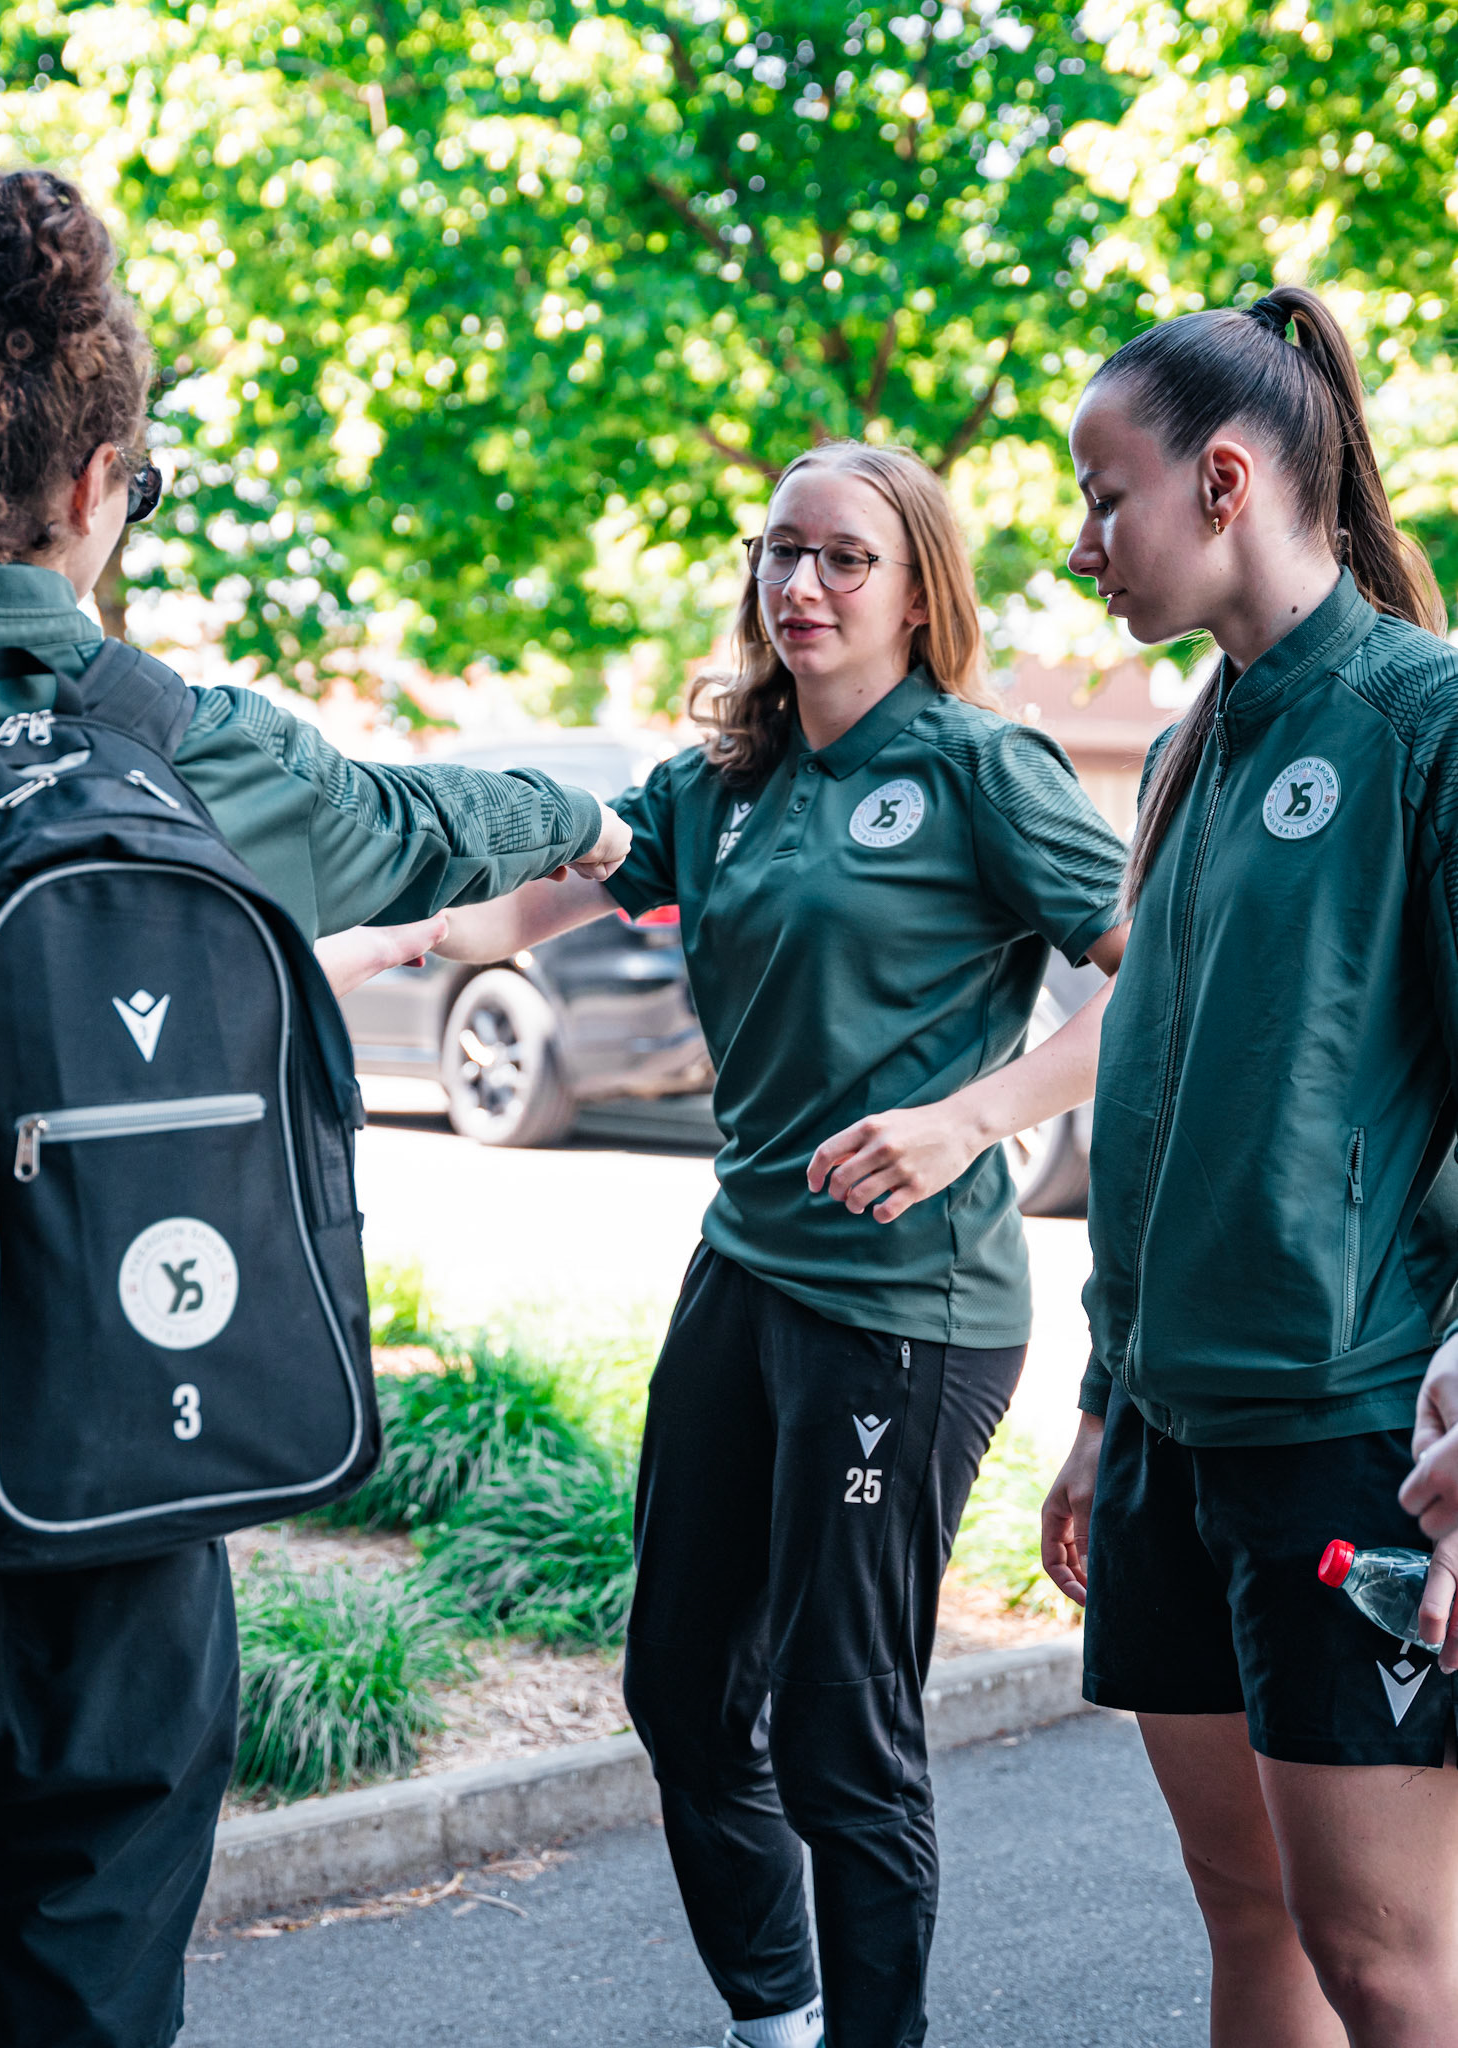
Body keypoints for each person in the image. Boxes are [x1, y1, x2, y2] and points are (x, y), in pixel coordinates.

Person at [0, 165, 629, 2048]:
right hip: (132, 1535)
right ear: (104, 487)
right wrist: (592, 821)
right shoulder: (195, 753)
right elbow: (427, 825)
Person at [436, 438, 1129, 2048]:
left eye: (842, 559)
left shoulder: (978, 768)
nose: (799, 585)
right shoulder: (717, 785)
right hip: (743, 1272)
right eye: (778, 552)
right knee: (680, 1694)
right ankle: (779, 2016)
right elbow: (496, 917)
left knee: (838, 1724)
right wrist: (343, 917)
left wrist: (969, 1117)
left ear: (915, 591)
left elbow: (1162, 970)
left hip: (909, 1308)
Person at [1041, 284, 1458, 2048]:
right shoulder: (1191, 744)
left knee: (1382, 1960)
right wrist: (1095, 1397)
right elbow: (1156, 1102)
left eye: (1102, 493)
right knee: (1251, 1923)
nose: (1080, 546)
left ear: (1221, 483)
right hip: (1161, 1431)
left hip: (1342, 1432)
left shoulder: (1419, 720)